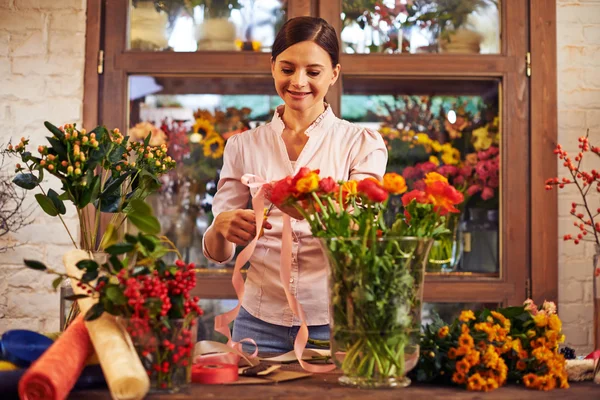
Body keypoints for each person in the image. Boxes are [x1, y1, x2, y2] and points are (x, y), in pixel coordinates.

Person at [202, 16, 388, 353]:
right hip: (256, 320)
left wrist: (313, 209)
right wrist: (220, 227)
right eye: (287, 69)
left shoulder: (361, 143)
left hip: (334, 320)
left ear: (334, 73)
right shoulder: (242, 146)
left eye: (313, 72)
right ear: (272, 67)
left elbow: (362, 237)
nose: (298, 82)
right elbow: (220, 253)